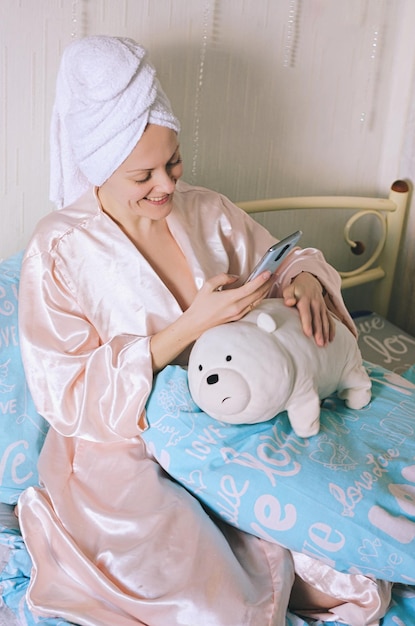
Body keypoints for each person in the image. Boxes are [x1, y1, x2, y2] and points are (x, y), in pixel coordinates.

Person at [16, 36, 385, 626]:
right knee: (208, 601)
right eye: (143, 174)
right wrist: (191, 326)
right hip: (124, 446)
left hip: (241, 412)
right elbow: (66, 393)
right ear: (97, 167)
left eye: (174, 161)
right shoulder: (58, 250)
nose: (166, 184)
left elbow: (286, 258)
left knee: (348, 572)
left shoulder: (206, 210)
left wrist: (307, 278)